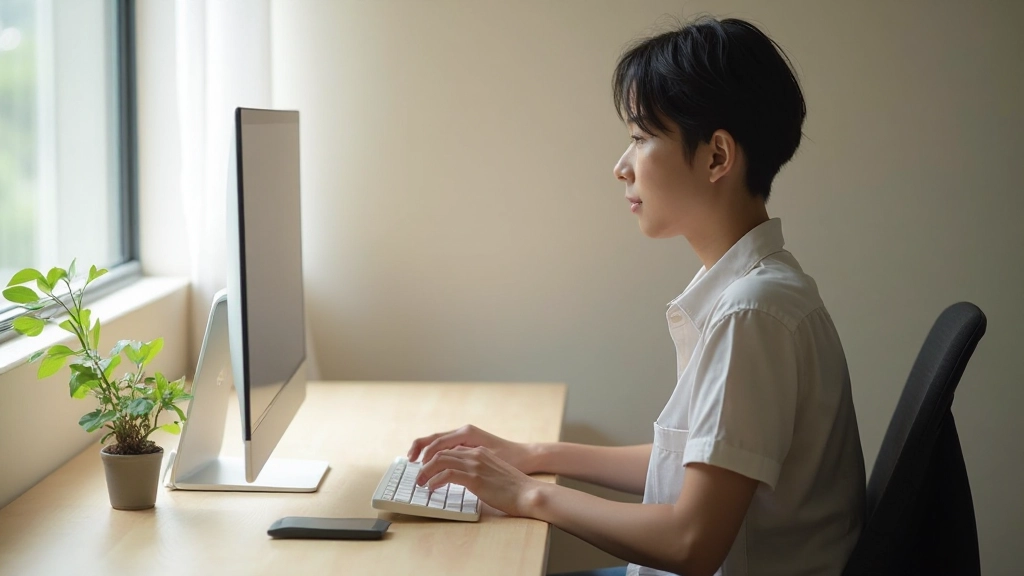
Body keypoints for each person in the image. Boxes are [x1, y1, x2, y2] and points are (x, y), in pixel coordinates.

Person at [408, 15, 866, 576]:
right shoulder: (755, 290)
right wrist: (533, 456)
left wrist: (527, 495)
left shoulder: (753, 313)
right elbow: (700, 463)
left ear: (717, 157)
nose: (622, 168)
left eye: (641, 137)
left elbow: (691, 543)